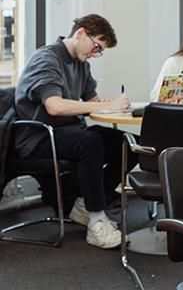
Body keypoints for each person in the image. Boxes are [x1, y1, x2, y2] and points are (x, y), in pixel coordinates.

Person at [14, 13, 135, 249]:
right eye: (96, 46)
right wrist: (105, 106)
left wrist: (117, 105)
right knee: (91, 142)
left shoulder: (82, 65)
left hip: (67, 132)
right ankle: (97, 220)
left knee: (129, 143)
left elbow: (94, 101)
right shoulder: (47, 59)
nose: (95, 53)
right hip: (37, 136)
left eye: (100, 50)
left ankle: (83, 203)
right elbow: (55, 106)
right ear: (80, 33)